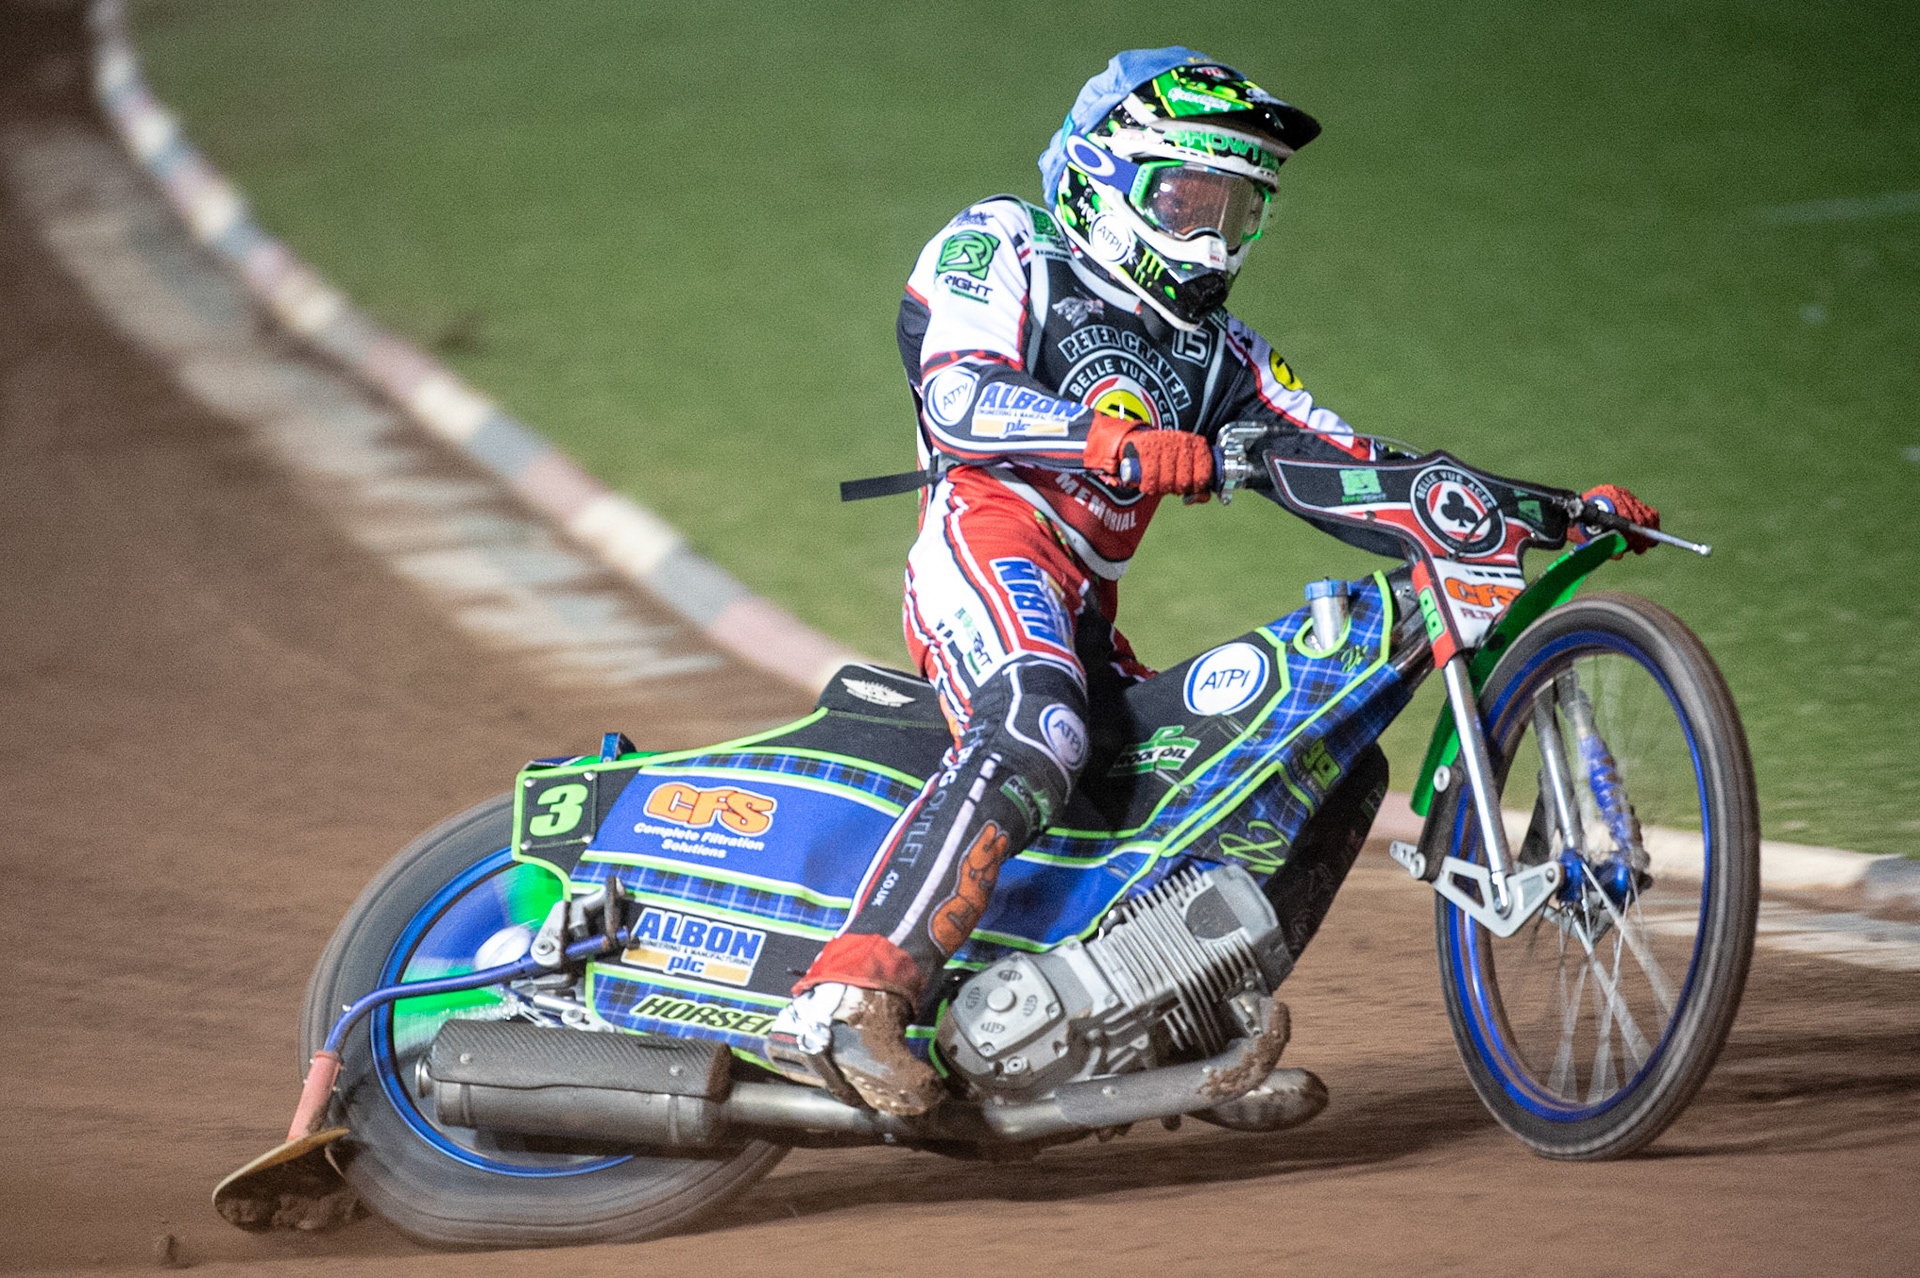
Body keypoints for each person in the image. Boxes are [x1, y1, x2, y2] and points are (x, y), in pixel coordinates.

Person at [766, 48, 1659, 1116]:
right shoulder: (1002, 242)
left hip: (1085, 609)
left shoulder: (1225, 355)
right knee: (1038, 724)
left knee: (1321, 769)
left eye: (1237, 214)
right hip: (983, 544)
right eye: (1186, 200)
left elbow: (1356, 462)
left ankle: (1167, 1034)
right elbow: (957, 398)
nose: (1210, 239)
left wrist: (1541, 507)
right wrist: (1111, 442)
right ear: (1105, 180)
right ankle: (845, 1000)